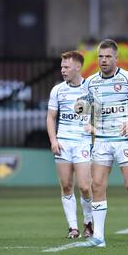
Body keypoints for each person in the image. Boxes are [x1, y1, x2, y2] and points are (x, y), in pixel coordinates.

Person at [74, 38, 128, 248]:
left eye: (108, 56)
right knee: (97, 186)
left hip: (124, 141)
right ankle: (99, 237)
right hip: (102, 141)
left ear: (116, 58)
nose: (103, 60)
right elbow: (85, 107)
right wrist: (80, 107)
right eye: (100, 56)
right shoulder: (91, 81)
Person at [47, 51, 93, 239]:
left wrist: (94, 126)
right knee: (66, 185)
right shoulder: (57, 90)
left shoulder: (90, 88)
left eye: (66, 67)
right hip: (63, 142)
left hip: (83, 142)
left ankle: (89, 223)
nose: (63, 70)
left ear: (78, 67)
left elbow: (101, 113)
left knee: (83, 186)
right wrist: (53, 140)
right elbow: (51, 117)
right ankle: (73, 228)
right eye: (62, 67)